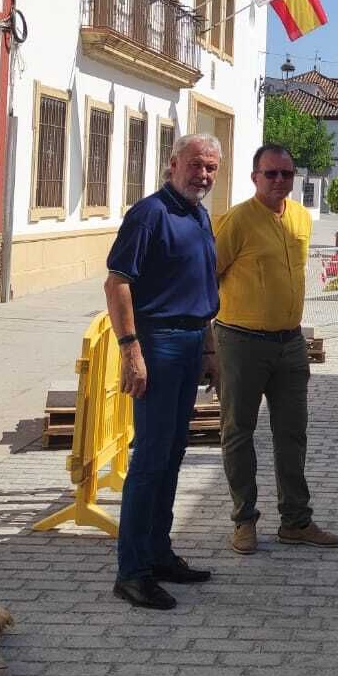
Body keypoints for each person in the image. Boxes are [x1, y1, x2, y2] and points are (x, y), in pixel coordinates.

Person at [104, 134, 223, 610]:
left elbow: (202, 286)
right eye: (196, 165)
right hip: (158, 344)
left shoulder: (199, 214)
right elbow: (117, 283)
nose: (204, 175)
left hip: (192, 341)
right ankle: (131, 572)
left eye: (212, 168)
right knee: (150, 459)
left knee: (173, 453)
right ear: (173, 163)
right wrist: (130, 350)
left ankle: (158, 552)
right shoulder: (149, 214)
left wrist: (210, 349)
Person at [212, 143, 338, 555]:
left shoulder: (301, 218)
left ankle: (296, 521)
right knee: (238, 434)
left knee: (292, 435)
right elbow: (208, 276)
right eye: (271, 174)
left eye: (287, 174)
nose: (280, 181)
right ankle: (244, 521)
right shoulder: (236, 222)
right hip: (241, 342)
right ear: (255, 177)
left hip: (290, 342)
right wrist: (206, 347)